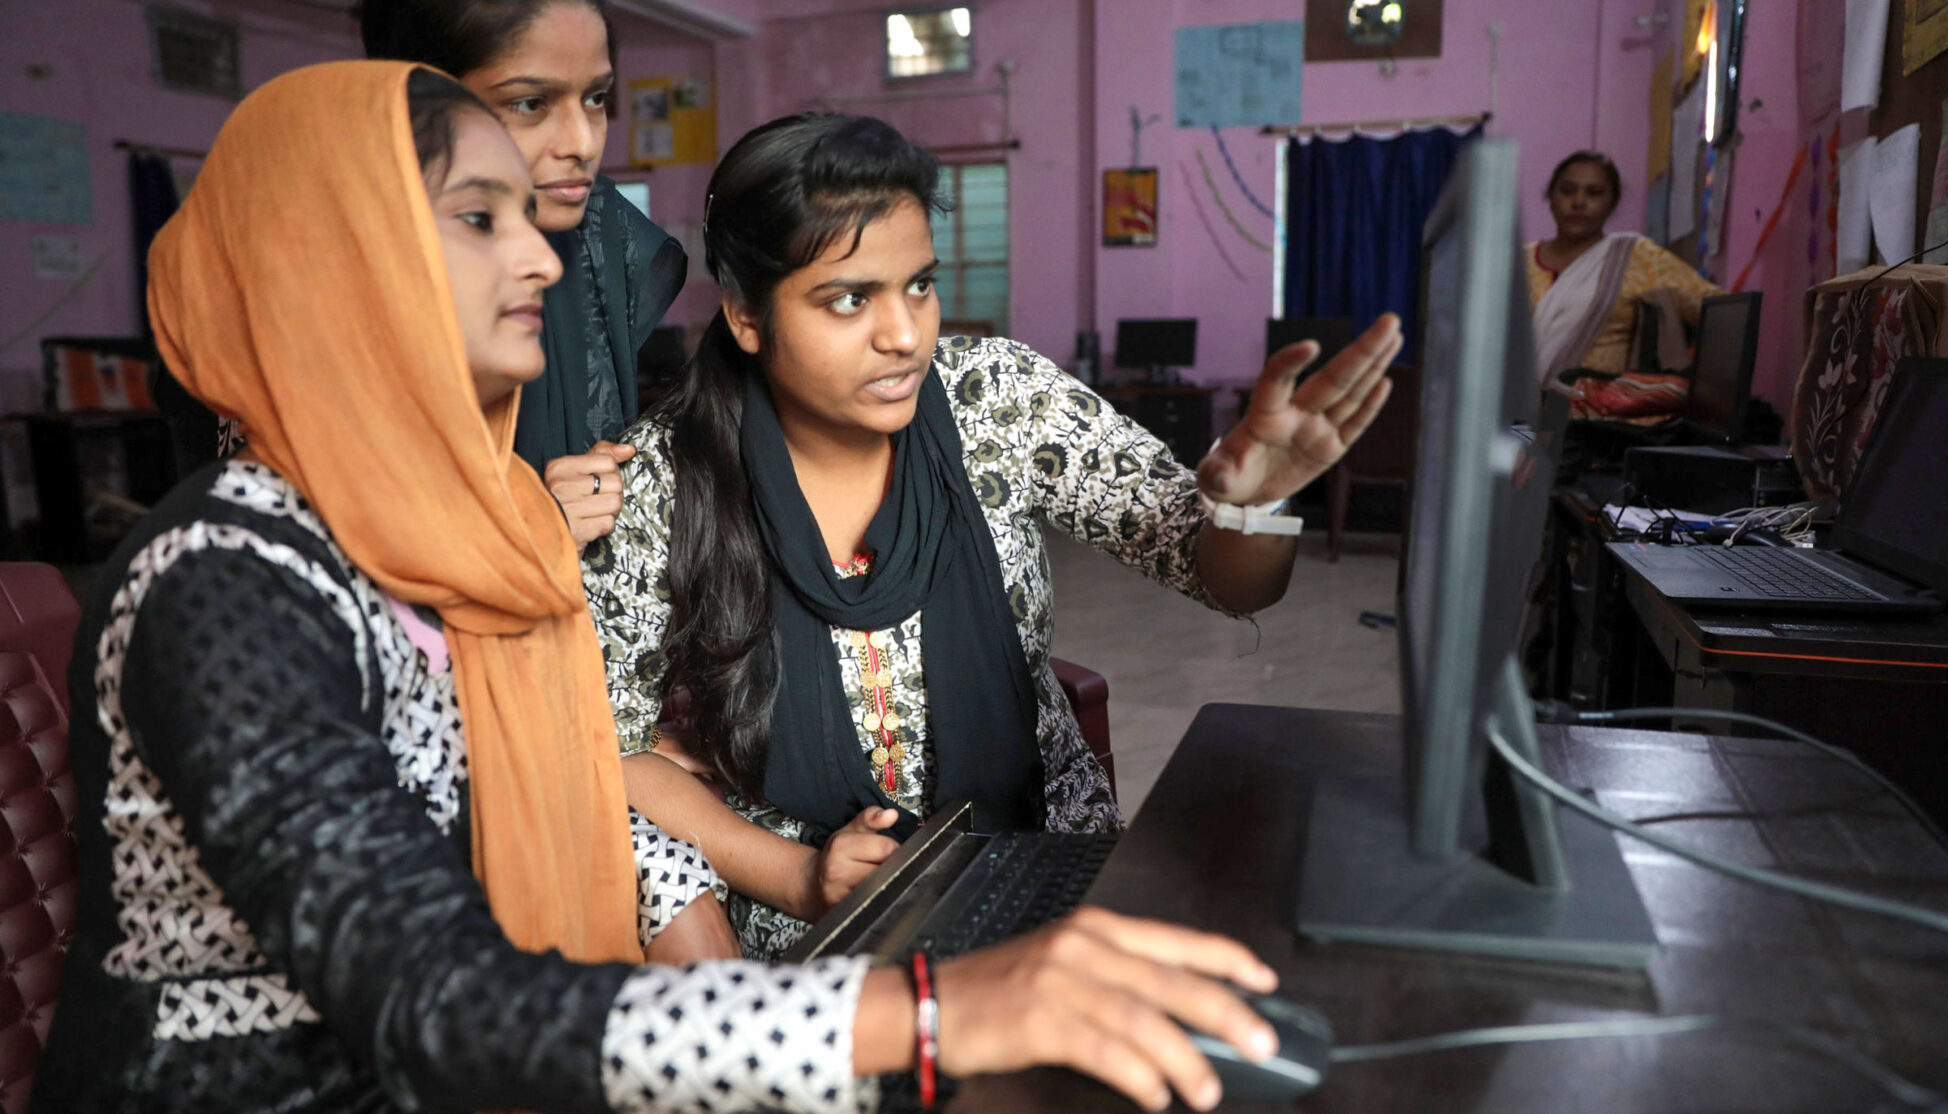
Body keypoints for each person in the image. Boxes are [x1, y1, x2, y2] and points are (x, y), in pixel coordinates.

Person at [34, 60, 1285, 1114]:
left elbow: (581, 780)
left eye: (532, 212)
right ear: (333, 256)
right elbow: (433, 989)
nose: (540, 251)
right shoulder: (228, 577)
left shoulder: (464, 536)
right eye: (481, 217)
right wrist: (919, 1007)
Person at [585, 112, 1401, 958]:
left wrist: (1250, 507)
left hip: (1044, 849)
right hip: (816, 912)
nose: (905, 335)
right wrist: (798, 875)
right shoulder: (662, 480)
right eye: (850, 299)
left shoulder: (996, 400)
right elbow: (612, 745)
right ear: (747, 316)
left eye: (919, 285)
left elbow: (1225, 578)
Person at [361, 0, 688, 547]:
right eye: (531, 103)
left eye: (596, 98)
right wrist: (527, 524)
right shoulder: (332, 283)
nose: (583, 144)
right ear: (418, 102)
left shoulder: (601, 241)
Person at [1528, 150, 1722, 423]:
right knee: (1516, 458)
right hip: (1517, 418)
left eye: (1594, 193)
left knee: (1562, 461)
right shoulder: (1518, 261)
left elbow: (1717, 312)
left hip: (1596, 429)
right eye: (1567, 191)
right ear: (1550, 196)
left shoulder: (1635, 257)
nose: (1579, 202)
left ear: (1613, 202)